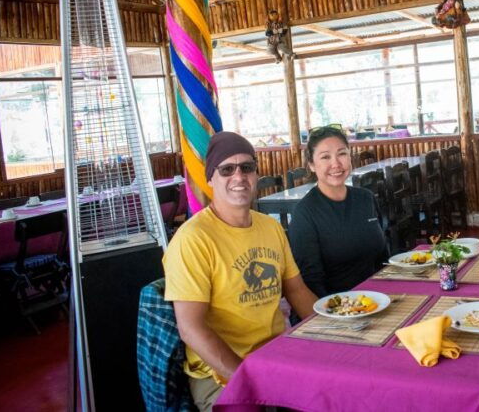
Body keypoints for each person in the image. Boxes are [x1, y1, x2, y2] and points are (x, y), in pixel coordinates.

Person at [163, 131, 317, 412]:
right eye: (227, 169)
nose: (239, 176)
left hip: (276, 354)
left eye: (247, 167)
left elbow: (296, 289)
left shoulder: (269, 227)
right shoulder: (193, 240)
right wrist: (247, 378)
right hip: (220, 372)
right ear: (211, 178)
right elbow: (191, 328)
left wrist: (330, 331)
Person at [288, 125, 389, 298]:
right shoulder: (304, 213)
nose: (336, 164)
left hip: (376, 300)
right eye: (325, 157)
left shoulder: (366, 198)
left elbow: (382, 258)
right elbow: (311, 282)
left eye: (342, 154)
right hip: (336, 309)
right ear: (312, 165)